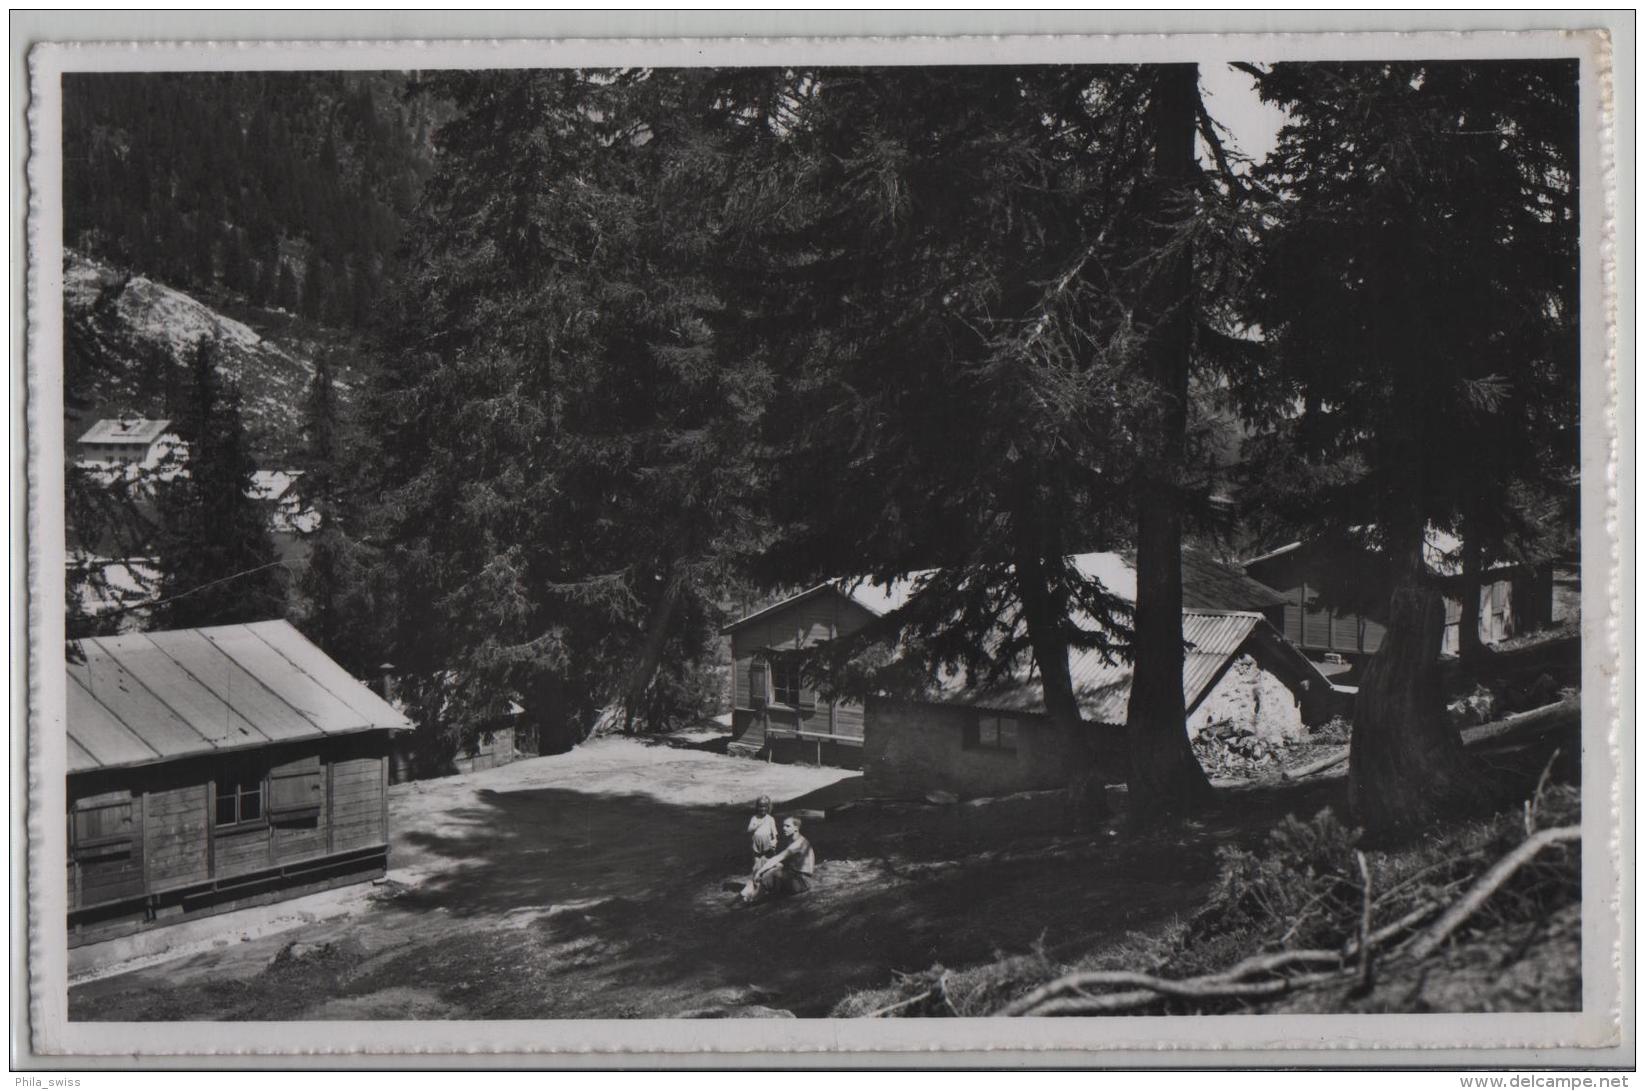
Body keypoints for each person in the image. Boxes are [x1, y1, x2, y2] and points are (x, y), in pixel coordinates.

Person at [741, 816, 815, 905]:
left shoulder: (799, 843)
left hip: (803, 881)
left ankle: (752, 898)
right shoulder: (792, 839)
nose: (784, 828)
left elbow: (778, 858)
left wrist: (760, 871)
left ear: (796, 828)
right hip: (794, 875)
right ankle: (749, 891)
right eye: (783, 826)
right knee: (764, 861)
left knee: (771, 872)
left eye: (787, 826)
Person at [747, 795, 778, 875]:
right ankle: (757, 874)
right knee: (757, 859)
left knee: (767, 859)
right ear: (757, 807)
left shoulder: (770, 818)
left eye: (765, 807)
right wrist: (756, 826)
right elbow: (749, 830)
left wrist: (774, 840)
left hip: (767, 842)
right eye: (760, 806)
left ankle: (767, 875)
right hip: (757, 842)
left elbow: (774, 832)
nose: (763, 809)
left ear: (768, 807)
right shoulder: (754, 818)